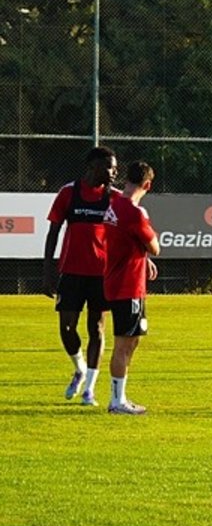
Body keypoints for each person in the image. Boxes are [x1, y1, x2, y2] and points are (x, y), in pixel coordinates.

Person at [43, 146, 118, 406]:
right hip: (71, 273)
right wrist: (47, 271)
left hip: (101, 275)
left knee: (96, 328)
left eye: (116, 168)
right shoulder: (69, 193)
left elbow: (130, 231)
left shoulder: (115, 198)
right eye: (110, 167)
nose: (114, 172)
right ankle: (80, 369)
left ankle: (90, 390)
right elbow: (53, 233)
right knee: (66, 327)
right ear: (93, 167)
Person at [102, 161, 160, 415]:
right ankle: (117, 401)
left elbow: (127, 242)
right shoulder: (135, 213)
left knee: (132, 341)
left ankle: (120, 397)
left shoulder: (114, 206)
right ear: (147, 185)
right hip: (128, 285)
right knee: (124, 344)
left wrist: (143, 259)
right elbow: (155, 246)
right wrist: (148, 253)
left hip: (117, 280)